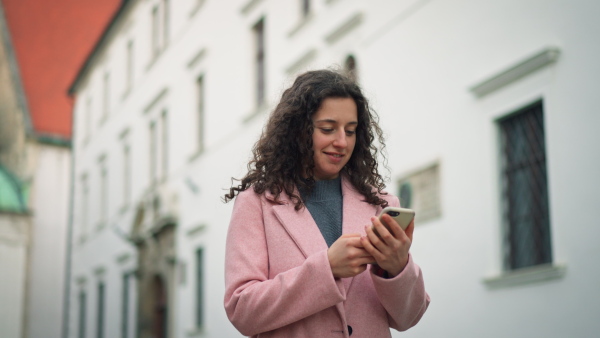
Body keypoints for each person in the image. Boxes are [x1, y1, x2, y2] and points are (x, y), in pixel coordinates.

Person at [223, 69, 430, 337]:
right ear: (298, 131)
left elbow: (409, 317)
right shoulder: (257, 203)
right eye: (328, 129)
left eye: (351, 130)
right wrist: (327, 269)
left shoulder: (380, 203)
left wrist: (397, 267)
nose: (342, 142)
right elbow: (242, 310)